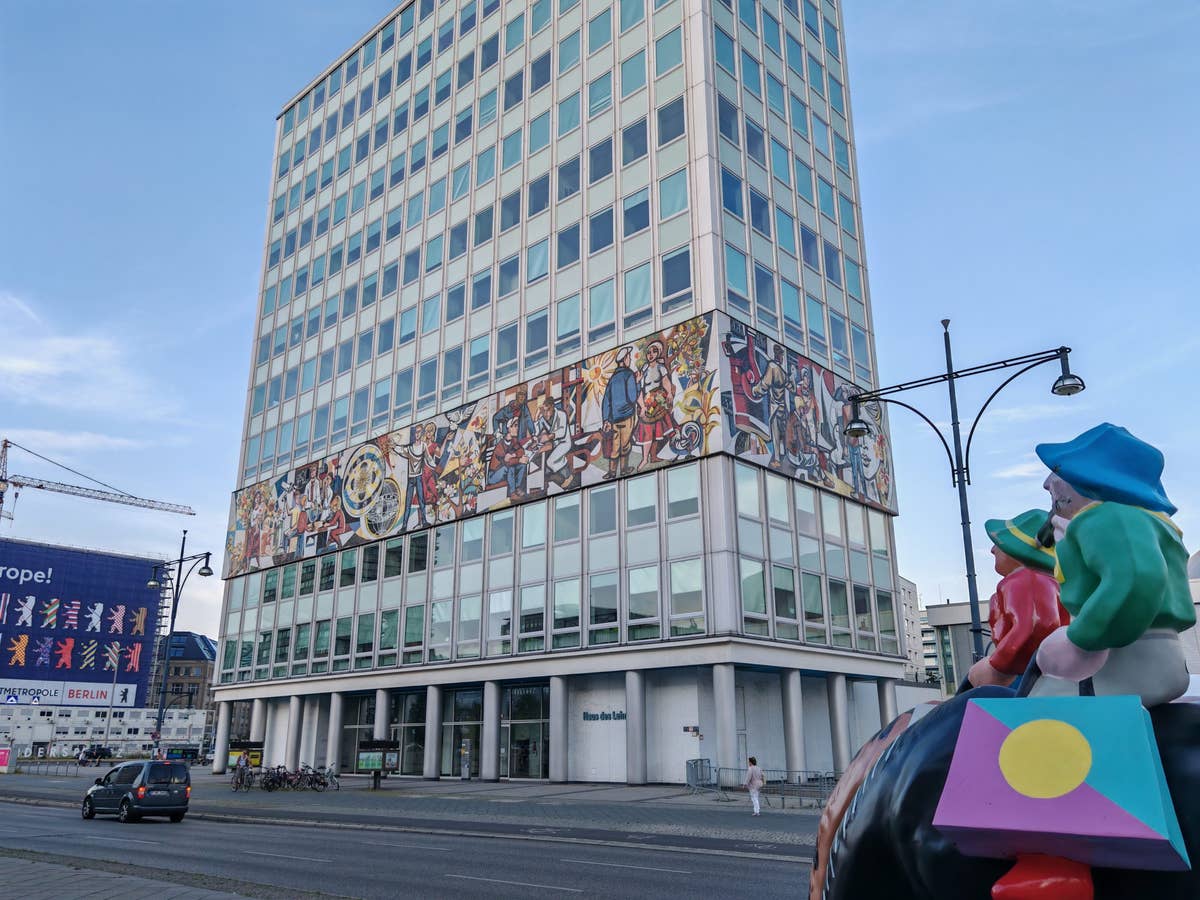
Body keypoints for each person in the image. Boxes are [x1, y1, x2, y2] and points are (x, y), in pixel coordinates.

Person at [1030, 423, 1195, 706]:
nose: (1048, 483)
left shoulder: (1106, 517)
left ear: (1089, 475)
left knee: (1036, 712)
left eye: (1057, 471)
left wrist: (1080, 638)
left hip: (1124, 662)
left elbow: (1137, 579)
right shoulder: (1153, 523)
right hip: (1161, 658)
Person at [966, 508, 1068, 689]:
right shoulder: (1052, 584)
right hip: (1049, 675)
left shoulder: (1025, 580)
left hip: (1028, 677)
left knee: (965, 700)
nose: (993, 550)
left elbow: (1036, 626)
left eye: (999, 544)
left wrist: (997, 668)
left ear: (1017, 550)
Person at [601, 347, 639, 480]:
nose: (630, 359)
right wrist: (637, 383)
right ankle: (623, 470)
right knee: (625, 444)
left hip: (614, 419)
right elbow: (633, 398)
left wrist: (606, 419)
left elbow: (606, 400)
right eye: (628, 357)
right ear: (624, 359)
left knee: (615, 445)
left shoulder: (613, 378)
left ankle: (612, 472)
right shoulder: (629, 375)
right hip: (627, 416)